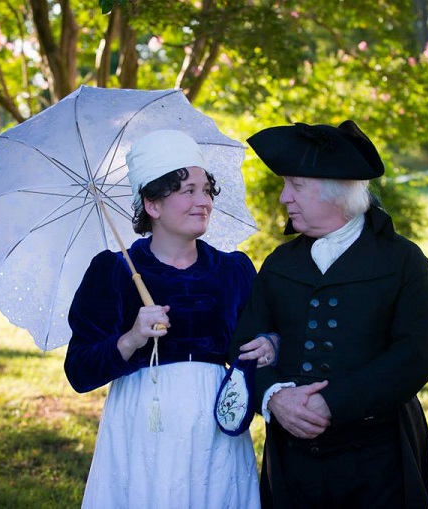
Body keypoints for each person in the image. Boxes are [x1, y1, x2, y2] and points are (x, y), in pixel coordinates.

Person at [230, 120, 428, 508]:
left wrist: (334, 402)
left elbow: (415, 356)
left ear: (335, 192)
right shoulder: (280, 263)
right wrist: (275, 397)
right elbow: (244, 345)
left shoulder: (403, 261)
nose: (284, 197)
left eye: (296, 185)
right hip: (292, 461)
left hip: (378, 459)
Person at [64, 129, 274, 509]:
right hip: (144, 422)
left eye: (206, 190)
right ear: (153, 204)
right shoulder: (114, 271)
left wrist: (268, 347)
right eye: (188, 191)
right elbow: (79, 371)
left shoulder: (233, 270)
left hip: (215, 425)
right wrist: (131, 338)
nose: (203, 201)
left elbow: (259, 346)